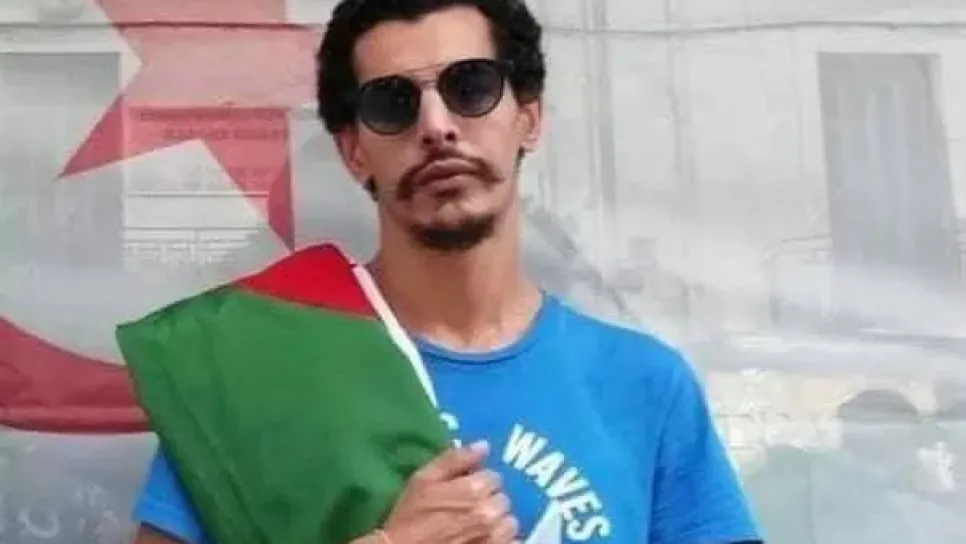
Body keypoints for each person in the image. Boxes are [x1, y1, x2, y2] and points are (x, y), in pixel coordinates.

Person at [131, 0, 761, 542]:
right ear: (354, 151)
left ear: (528, 118)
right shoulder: (258, 372)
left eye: (471, 87)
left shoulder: (646, 386)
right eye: (392, 103)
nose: (435, 127)